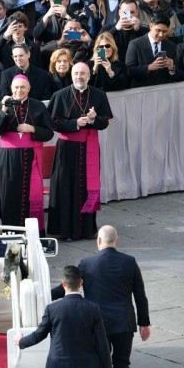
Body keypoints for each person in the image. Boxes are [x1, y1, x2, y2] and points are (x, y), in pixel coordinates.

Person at [78, 225, 151, 368]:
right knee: (121, 365)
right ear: (116, 241)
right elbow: (140, 295)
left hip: (96, 325)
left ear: (99, 241)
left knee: (99, 367)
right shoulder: (129, 262)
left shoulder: (87, 264)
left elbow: (69, 286)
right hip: (123, 323)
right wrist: (144, 323)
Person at [47, 63, 113, 241]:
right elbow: (53, 124)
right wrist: (75, 123)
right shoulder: (60, 95)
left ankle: (86, 229)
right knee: (65, 187)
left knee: (86, 187)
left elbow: (105, 123)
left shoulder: (99, 95)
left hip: (89, 147)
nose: (79, 77)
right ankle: (65, 230)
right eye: (76, 73)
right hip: (66, 150)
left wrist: (93, 120)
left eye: (83, 73)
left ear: (88, 76)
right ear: (71, 74)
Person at [0, 74, 54, 231]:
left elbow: (49, 133)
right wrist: (4, 109)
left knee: (30, 195)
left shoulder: (38, 106)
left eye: (23, 87)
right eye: (16, 87)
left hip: (31, 158)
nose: (19, 90)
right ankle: (8, 232)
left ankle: (32, 234)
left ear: (29, 88)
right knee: (8, 195)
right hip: (8, 160)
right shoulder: (1, 105)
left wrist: (33, 129)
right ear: (11, 88)